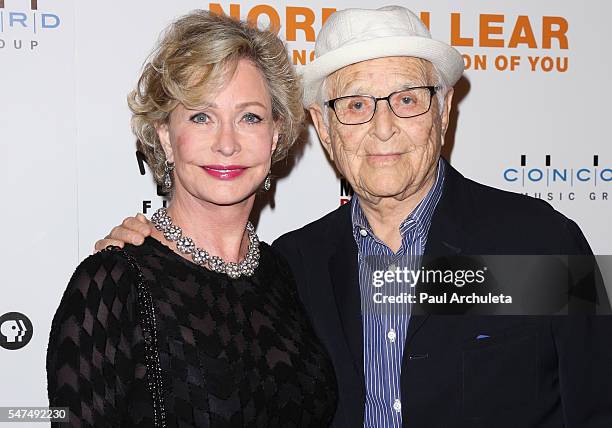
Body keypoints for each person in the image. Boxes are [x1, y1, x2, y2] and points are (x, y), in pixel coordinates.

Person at [96, 6, 612, 428]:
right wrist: (141, 254)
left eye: (407, 100)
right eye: (356, 105)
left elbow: (596, 406)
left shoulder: (539, 239)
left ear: (444, 108)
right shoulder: (291, 268)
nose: (383, 129)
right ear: (322, 124)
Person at [46, 10, 337, 427]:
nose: (226, 143)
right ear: (165, 136)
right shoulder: (113, 283)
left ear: (274, 137)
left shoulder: (283, 275)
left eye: (249, 117)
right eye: (201, 116)